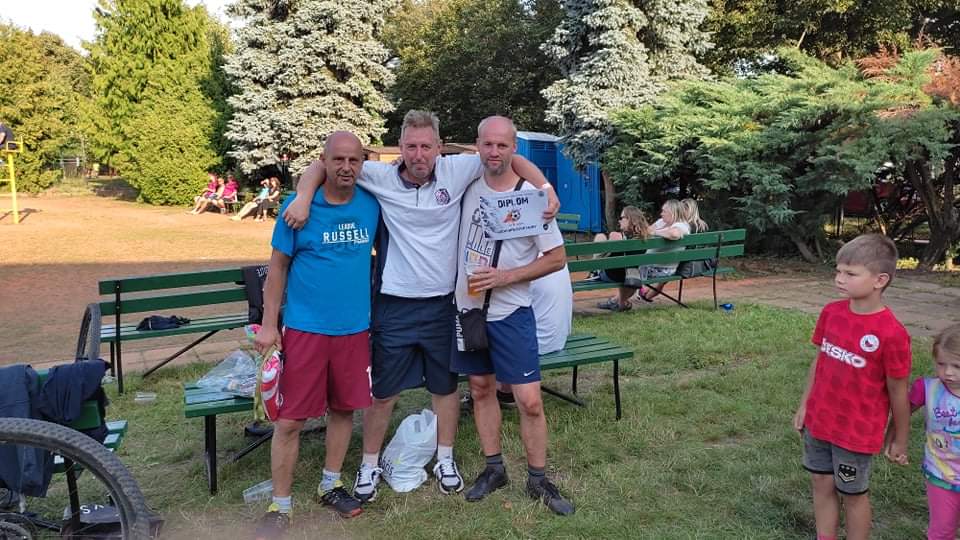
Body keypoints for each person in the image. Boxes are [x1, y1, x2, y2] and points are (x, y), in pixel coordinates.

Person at [282, 110, 559, 503]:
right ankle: (369, 464)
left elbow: (509, 157)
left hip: (444, 304)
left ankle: (445, 459)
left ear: (439, 148)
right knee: (383, 392)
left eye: (426, 146)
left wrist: (545, 187)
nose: (418, 154)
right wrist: (303, 197)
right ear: (400, 147)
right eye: (411, 146)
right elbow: (321, 164)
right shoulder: (377, 175)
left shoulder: (458, 169)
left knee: (444, 389)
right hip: (394, 304)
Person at [252, 132, 380, 539]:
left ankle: (331, 484)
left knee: (344, 410)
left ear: (362, 163)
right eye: (337, 159)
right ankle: (280, 504)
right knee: (290, 420)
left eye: (353, 160)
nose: (346, 167)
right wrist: (269, 324)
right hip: (306, 330)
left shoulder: (371, 205)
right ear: (323, 161)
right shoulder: (297, 208)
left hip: (354, 330)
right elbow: (277, 269)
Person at [454, 115, 574, 515]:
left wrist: (507, 276)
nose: (494, 152)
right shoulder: (467, 183)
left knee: (529, 401)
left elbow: (556, 258)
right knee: (481, 389)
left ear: (514, 149)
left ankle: (538, 478)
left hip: (512, 313)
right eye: (487, 144)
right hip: (469, 310)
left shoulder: (532, 198)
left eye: (502, 145)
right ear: (477, 145)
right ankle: (494, 469)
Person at [792, 233, 912, 540]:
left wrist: (900, 438)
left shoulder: (892, 333)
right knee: (821, 482)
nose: (839, 279)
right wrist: (805, 404)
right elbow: (819, 361)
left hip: (856, 432)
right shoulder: (831, 313)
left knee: (853, 494)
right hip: (820, 421)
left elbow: (899, 390)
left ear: (880, 280)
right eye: (838, 271)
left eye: (850, 273)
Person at [904, 323, 960, 540]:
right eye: (941, 364)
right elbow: (902, 412)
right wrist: (895, 440)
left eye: (957, 366)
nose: (948, 372)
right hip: (940, 475)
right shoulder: (927, 389)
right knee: (942, 530)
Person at [632, 199, 692, 304]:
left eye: (664, 211)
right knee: (630, 267)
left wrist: (655, 232)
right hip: (651, 266)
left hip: (662, 269)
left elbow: (674, 234)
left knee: (629, 270)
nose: (661, 213)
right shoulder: (662, 222)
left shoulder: (681, 225)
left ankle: (620, 300)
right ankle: (642, 293)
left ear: (673, 213)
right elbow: (648, 231)